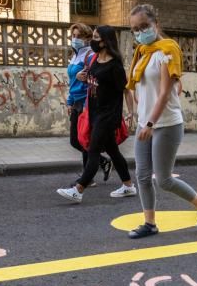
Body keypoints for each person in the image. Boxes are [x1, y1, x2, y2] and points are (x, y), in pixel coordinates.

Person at [125, 4, 197, 239]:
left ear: (156, 24)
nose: (140, 32)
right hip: (145, 123)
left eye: (144, 26)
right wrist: (139, 112)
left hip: (165, 124)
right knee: (142, 176)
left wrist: (149, 124)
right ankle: (150, 223)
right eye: (135, 29)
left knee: (164, 179)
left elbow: (165, 92)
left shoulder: (168, 50)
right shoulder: (142, 53)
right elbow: (141, 87)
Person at [57, 26, 137, 203]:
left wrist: (131, 113)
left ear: (105, 41)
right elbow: (92, 80)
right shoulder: (95, 60)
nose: (92, 41)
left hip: (108, 115)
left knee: (92, 150)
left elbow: (126, 91)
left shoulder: (114, 65)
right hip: (94, 112)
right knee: (113, 152)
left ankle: (79, 189)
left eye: (95, 37)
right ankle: (128, 185)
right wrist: (82, 78)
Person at [65, 23, 111, 185]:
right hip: (76, 101)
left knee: (82, 139)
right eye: (73, 36)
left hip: (86, 101)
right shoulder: (75, 55)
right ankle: (101, 161)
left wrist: (85, 78)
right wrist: (69, 102)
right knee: (76, 140)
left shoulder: (90, 55)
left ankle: (88, 177)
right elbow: (72, 81)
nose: (75, 39)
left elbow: (95, 79)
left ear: (87, 38)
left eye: (79, 36)